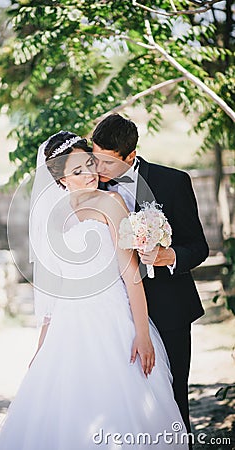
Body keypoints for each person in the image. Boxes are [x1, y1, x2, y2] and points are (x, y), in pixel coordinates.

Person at [0, 131, 189, 450]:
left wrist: (142, 332)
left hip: (114, 320)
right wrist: (41, 349)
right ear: (61, 179)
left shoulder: (110, 202)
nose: (89, 174)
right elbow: (54, 294)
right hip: (68, 328)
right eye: (77, 171)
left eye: (90, 164)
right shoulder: (51, 220)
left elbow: (131, 276)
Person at [92, 114, 209, 437]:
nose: (98, 169)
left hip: (169, 307)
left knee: (173, 396)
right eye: (94, 157)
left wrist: (167, 256)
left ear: (130, 156)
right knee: (121, 401)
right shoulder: (90, 187)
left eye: (106, 162)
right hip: (117, 313)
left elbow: (198, 247)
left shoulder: (173, 182)